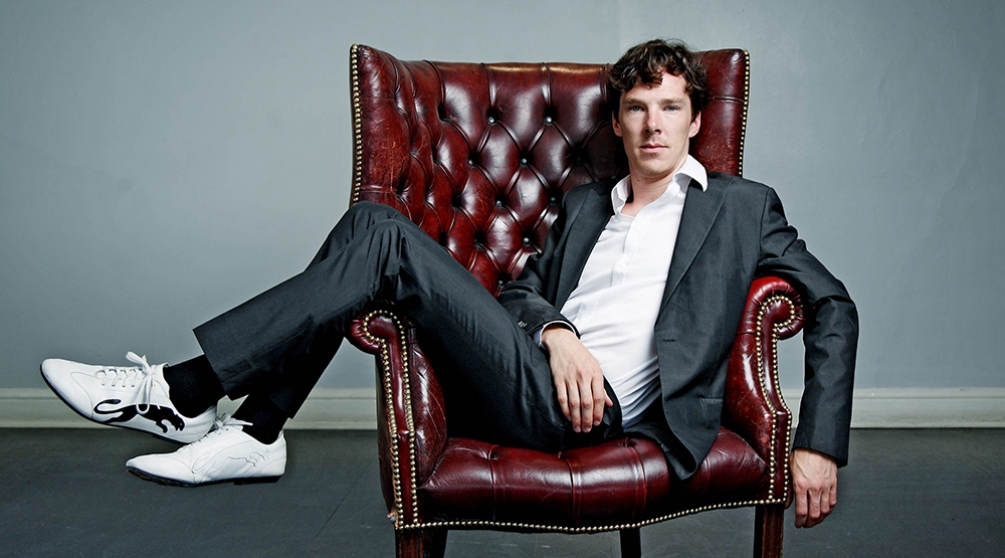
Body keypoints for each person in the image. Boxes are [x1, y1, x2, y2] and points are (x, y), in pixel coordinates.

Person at [40, 39, 857, 529]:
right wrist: (558, 332)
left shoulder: (743, 208)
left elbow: (831, 305)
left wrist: (816, 443)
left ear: (694, 119)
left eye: (670, 108)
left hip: (591, 413)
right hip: (532, 372)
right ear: (615, 120)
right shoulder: (585, 208)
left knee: (376, 231)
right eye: (637, 108)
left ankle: (192, 395)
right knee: (369, 230)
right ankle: (250, 426)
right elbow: (520, 295)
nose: (652, 125)